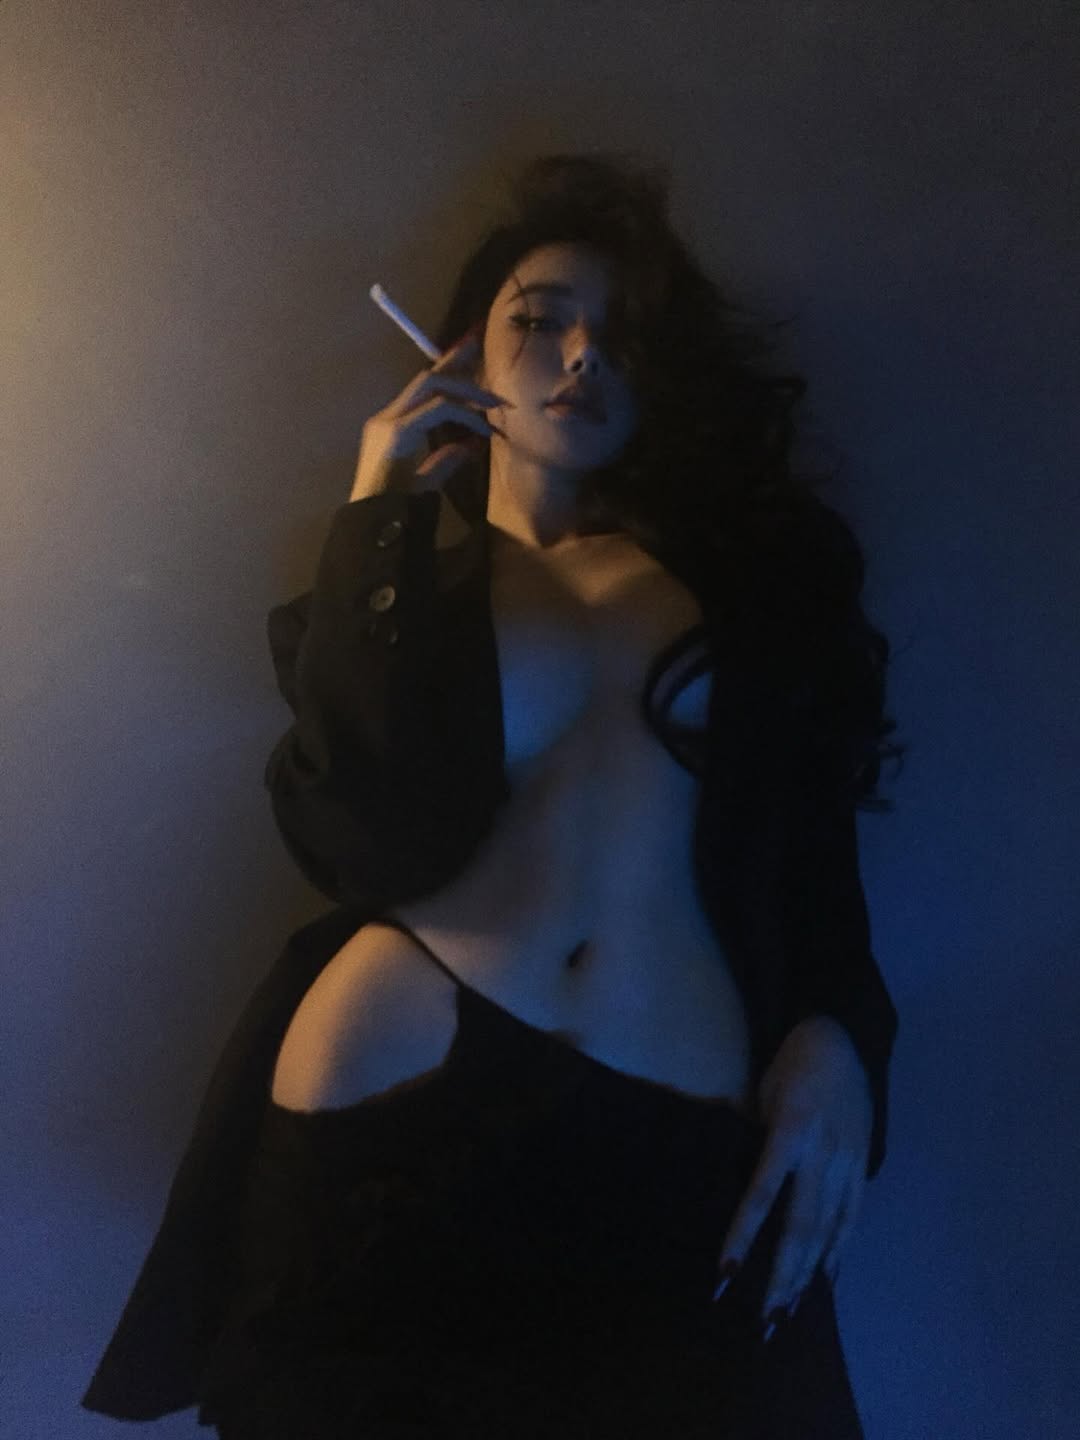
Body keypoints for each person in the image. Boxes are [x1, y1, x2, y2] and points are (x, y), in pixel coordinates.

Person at [81, 152, 905, 1437]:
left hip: (673, 1131)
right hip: (388, 1101)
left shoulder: (753, 592)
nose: (579, 357)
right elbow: (352, 837)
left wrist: (845, 1037)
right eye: (540, 321)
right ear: (465, 355)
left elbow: (813, 853)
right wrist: (377, 514)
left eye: (619, 338)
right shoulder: (398, 588)